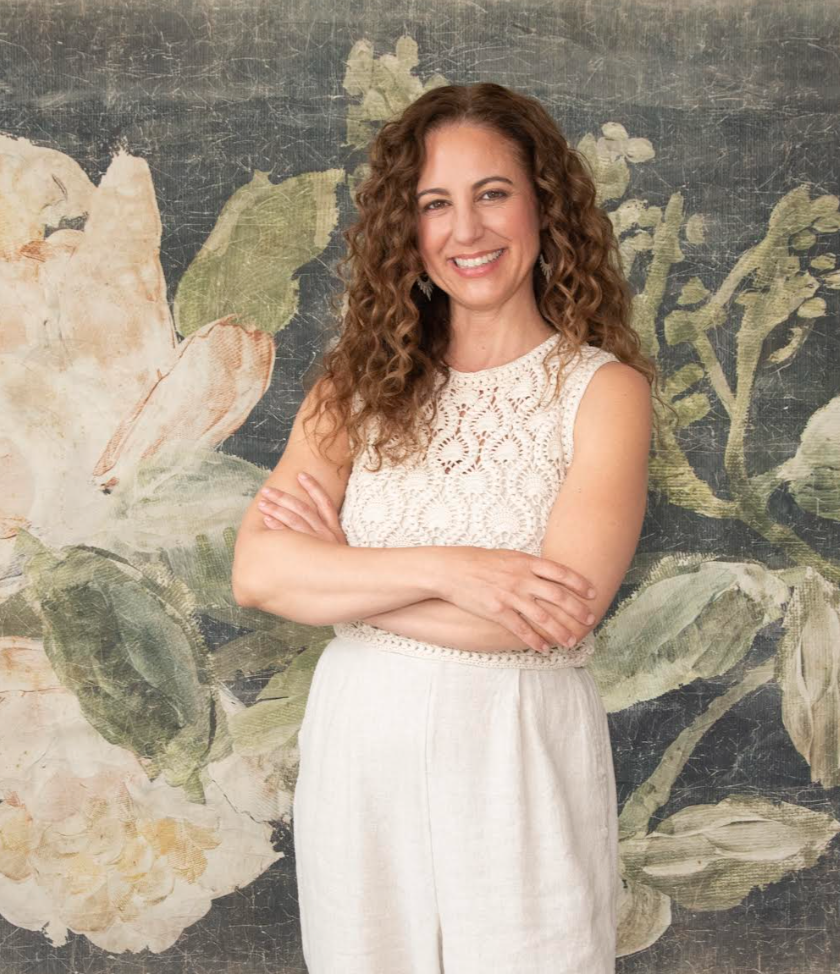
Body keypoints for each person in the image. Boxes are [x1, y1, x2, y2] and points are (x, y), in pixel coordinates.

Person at [230, 82, 655, 974]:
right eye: (434, 204)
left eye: (492, 193)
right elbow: (260, 574)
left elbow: (550, 615)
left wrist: (344, 576)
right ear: (407, 233)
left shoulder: (601, 394)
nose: (466, 230)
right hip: (359, 750)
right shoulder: (351, 388)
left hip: (516, 758)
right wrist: (456, 569)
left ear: (544, 206)